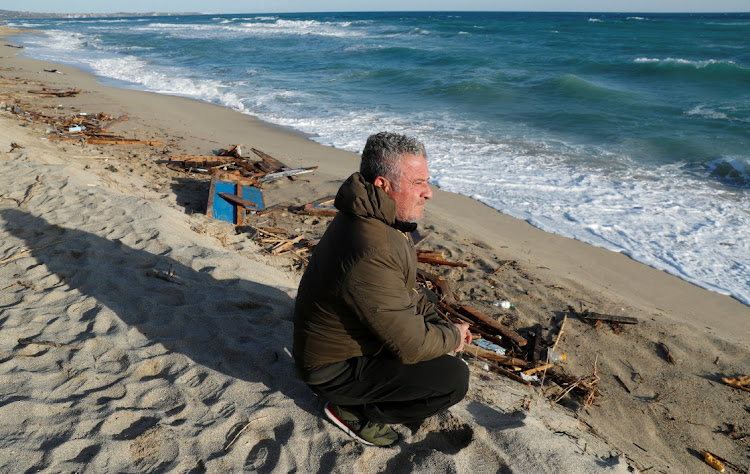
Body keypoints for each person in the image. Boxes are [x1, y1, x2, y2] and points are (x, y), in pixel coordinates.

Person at [293, 132, 472, 447]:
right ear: (382, 186)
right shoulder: (371, 247)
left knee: (426, 306)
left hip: (346, 338)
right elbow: (412, 347)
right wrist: (453, 337)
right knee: (452, 380)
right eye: (418, 183)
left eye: (426, 181)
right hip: (333, 371)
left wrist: (438, 326)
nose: (428, 193)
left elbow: (405, 291)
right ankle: (353, 411)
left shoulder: (376, 215)